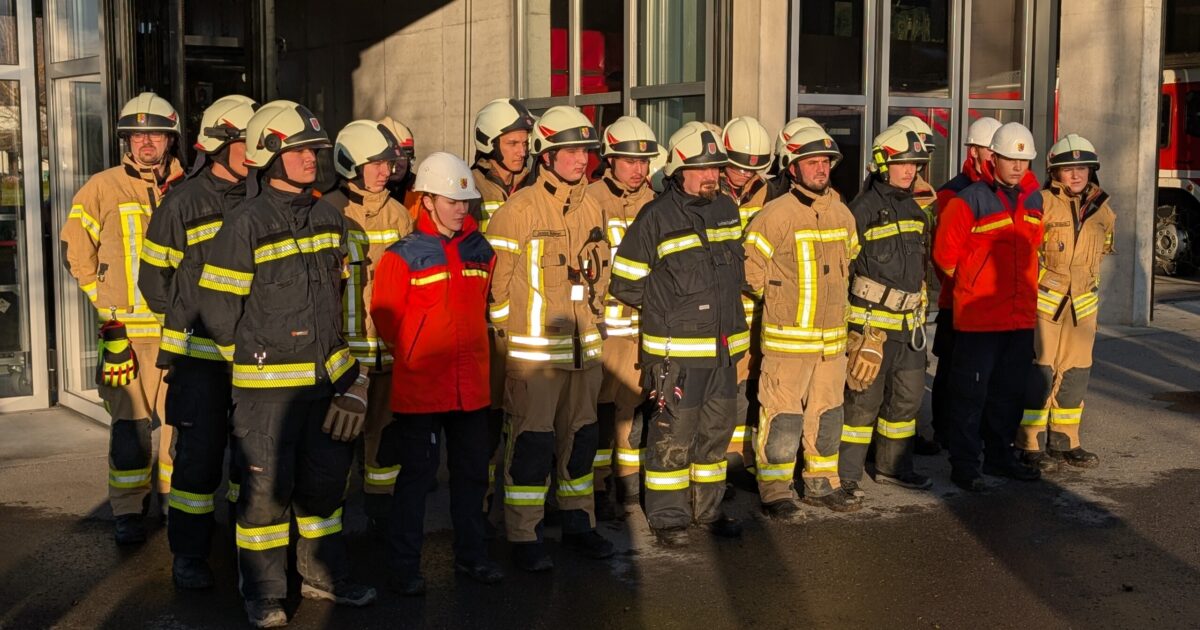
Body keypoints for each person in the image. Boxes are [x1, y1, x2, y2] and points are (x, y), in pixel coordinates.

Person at [197, 100, 376, 627]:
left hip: (325, 387)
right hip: (265, 397)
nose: (310, 160)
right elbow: (217, 313)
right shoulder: (244, 224)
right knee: (264, 503)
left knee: (325, 493)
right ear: (268, 156)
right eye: (298, 151)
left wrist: (353, 379)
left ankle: (323, 577)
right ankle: (265, 594)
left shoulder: (327, 217)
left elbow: (338, 308)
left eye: (313, 151)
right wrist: (256, 367)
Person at [485, 105, 615, 571]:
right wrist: (509, 353)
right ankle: (524, 535)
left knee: (581, 440)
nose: (581, 159)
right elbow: (496, 294)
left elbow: (602, 277)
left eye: (585, 150)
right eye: (570, 151)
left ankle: (579, 521)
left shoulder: (594, 206)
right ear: (546, 155)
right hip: (534, 360)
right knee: (531, 446)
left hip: (585, 357)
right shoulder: (515, 213)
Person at [608, 122, 748, 547]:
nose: (712, 175)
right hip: (678, 355)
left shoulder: (726, 208)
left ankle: (707, 510)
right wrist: (670, 308)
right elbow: (625, 282)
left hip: (723, 352)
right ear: (678, 170)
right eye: (703, 169)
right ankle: (668, 518)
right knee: (672, 437)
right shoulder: (656, 216)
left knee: (715, 435)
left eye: (717, 168)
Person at [371, 151, 504, 595]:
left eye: (465, 201)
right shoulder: (402, 255)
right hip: (423, 389)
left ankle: (472, 557)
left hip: (471, 390)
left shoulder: (480, 250)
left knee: (471, 477)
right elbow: (386, 318)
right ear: (426, 201)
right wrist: (416, 352)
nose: (461, 208)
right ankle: (404, 567)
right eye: (451, 200)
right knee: (417, 481)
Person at [139, 94, 257, 586]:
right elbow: (153, 282)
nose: (253, 151)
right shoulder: (183, 202)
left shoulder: (259, 198)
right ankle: (188, 553)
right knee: (198, 456)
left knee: (250, 458)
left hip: (253, 357)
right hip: (200, 360)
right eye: (245, 142)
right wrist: (192, 317)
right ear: (218, 145)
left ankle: (238, 544)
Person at [60, 91, 185, 544]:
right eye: (136, 136)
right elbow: (75, 247)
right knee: (130, 429)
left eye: (154, 134)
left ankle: (176, 502)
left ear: (170, 140)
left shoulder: (187, 185)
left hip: (177, 334)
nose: (145, 143)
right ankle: (129, 510)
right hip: (127, 336)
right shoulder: (103, 186)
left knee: (179, 426)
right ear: (125, 142)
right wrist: (104, 304)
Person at [743, 126, 861, 519]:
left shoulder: (842, 212)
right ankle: (775, 489)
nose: (821, 169)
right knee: (782, 418)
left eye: (825, 161)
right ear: (791, 168)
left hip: (831, 345)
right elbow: (749, 273)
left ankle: (820, 482)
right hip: (787, 342)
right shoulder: (775, 215)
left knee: (828, 415)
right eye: (811, 162)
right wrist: (778, 303)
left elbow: (852, 264)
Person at [932, 122, 1044, 492]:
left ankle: (1000, 456)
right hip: (979, 320)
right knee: (970, 396)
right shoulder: (970, 199)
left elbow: (1034, 251)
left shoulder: (1033, 200)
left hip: (1019, 318)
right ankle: (965, 465)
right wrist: (973, 287)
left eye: (1024, 160)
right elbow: (945, 257)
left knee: (1009, 394)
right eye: (1011, 159)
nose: (1017, 167)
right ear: (993, 157)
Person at [326, 120, 414, 533]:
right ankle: (330, 521)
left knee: (386, 438)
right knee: (337, 441)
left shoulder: (399, 214)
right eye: (376, 163)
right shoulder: (328, 212)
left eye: (388, 162)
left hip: (390, 353)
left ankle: (382, 515)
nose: (386, 170)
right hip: (343, 352)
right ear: (350, 165)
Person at [838, 125, 935, 498]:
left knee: (907, 400)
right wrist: (851, 330)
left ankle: (894, 467)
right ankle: (847, 474)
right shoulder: (858, 211)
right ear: (882, 164)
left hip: (909, 328)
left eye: (914, 164)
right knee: (862, 403)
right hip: (870, 328)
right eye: (902, 164)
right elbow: (845, 269)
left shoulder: (916, 208)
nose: (910, 171)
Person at [1019, 134, 1115, 472]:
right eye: (1068, 169)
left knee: (1075, 375)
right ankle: (1030, 443)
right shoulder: (1040, 202)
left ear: (1092, 171)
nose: (1076, 175)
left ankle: (1065, 439)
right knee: (1040, 375)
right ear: (1054, 173)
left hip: (1083, 308)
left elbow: (1102, 252)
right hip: (1046, 306)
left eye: (1082, 168)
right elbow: (1026, 254)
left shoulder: (1104, 210)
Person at [587, 115, 659, 516]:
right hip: (605, 330)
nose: (639, 169)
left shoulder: (657, 203)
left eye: (645, 161)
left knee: (634, 410)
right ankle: (597, 489)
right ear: (610, 159)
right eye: (630, 161)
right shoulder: (590, 199)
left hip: (646, 328)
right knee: (598, 414)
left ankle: (628, 485)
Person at [930, 116, 1002, 449]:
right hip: (957, 301)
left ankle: (981, 430)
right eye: (990, 150)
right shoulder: (952, 193)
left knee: (987, 373)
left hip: (993, 302)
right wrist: (967, 286)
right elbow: (944, 254)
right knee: (952, 371)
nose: (995, 156)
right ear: (974, 151)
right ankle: (946, 432)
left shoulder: (1004, 192)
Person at [720, 115, 777, 477]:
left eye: (751, 172)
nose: (743, 177)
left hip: (757, 310)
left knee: (751, 386)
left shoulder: (772, 195)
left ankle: (742, 458)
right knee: (720, 388)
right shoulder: (706, 190)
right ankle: (720, 459)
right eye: (737, 169)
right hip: (719, 310)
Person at [378, 116, 418, 210]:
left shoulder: (420, 192)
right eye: (392, 156)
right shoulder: (359, 192)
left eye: (404, 156)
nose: (398, 163)